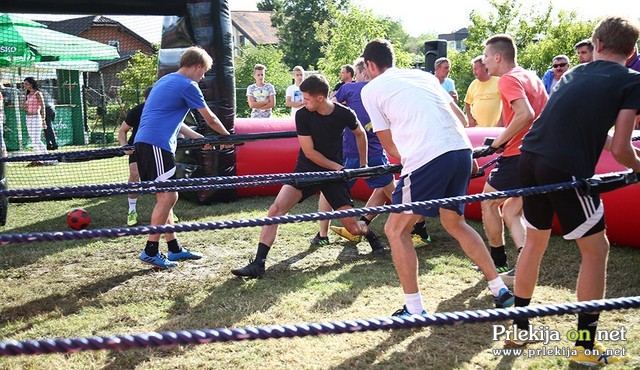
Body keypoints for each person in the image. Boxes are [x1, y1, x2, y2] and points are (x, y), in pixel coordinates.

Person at [511, 16, 639, 366]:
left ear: (596, 45)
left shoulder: (571, 75)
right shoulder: (632, 80)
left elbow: (592, 134)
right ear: (632, 51)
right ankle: (585, 346)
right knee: (597, 250)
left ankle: (518, 328)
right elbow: (623, 151)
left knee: (534, 243)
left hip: (530, 159)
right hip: (562, 169)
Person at [360, 38, 514, 317]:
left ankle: (414, 309)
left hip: (428, 156)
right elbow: (463, 120)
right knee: (454, 222)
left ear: (370, 65)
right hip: (461, 151)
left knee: (395, 230)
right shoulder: (423, 76)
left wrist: (410, 153)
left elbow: (389, 147)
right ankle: (499, 289)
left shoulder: (371, 89)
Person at [231, 74, 384, 279]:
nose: (303, 101)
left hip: (333, 177)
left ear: (320, 98)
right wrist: (339, 168)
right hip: (306, 170)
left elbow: (360, 133)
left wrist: (363, 164)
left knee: (354, 229)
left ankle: (369, 234)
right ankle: (258, 264)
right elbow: (310, 152)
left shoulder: (344, 113)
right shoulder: (302, 115)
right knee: (275, 210)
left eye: (307, 98)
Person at [134, 46, 231, 269]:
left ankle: (175, 249)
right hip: (156, 144)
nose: (203, 76)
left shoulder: (167, 80)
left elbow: (176, 121)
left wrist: (199, 138)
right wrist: (228, 137)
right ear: (197, 66)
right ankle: (150, 250)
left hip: (149, 143)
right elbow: (211, 119)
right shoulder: (188, 85)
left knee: (166, 198)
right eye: (204, 71)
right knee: (169, 198)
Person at [479, 34, 548, 283]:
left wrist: (498, 143)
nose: (484, 61)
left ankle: (497, 262)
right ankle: (524, 263)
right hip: (539, 154)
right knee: (510, 210)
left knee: (488, 203)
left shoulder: (507, 79)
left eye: (486, 56)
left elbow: (525, 114)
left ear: (498, 56)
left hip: (519, 155)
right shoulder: (532, 76)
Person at [314, 58, 397, 246]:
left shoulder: (348, 89)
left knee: (328, 192)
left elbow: (327, 108)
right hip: (375, 152)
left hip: (350, 152)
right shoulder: (382, 92)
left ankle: (323, 234)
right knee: (390, 191)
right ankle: (418, 227)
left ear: (362, 72)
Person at [118, 86, 152, 227]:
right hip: (136, 148)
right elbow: (122, 131)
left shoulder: (165, 110)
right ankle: (132, 210)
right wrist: (125, 146)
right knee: (134, 174)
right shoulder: (137, 110)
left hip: (156, 147)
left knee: (161, 179)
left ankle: (168, 210)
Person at [464, 55, 502, 127]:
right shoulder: (473, 84)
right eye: (473, 69)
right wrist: (470, 118)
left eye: (476, 69)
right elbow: (467, 103)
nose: (474, 72)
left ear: (484, 68)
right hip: (478, 129)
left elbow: (507, 104)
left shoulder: (498, 81)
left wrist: (501, 122)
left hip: (495, 128)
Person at [22, 77, 48, 165]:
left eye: (26, 84)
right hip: (28, 118)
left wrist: (44, 120)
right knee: (33, 139)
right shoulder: (28, 95)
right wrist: (24, 106)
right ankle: (38, 159)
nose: (25, 85)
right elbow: (26, 108)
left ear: (31, 84)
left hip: (36, 118)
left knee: (37, 139)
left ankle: (47, 156)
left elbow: (43, 107)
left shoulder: (38, 93)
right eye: (24, 84)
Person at [41, 86, 58, 151]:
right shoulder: (42, 90)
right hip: (51, 109)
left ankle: (54, 144)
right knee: (46, 128)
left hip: (47, 109)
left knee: (48, 128)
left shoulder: (37, 92)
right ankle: (49, 144)